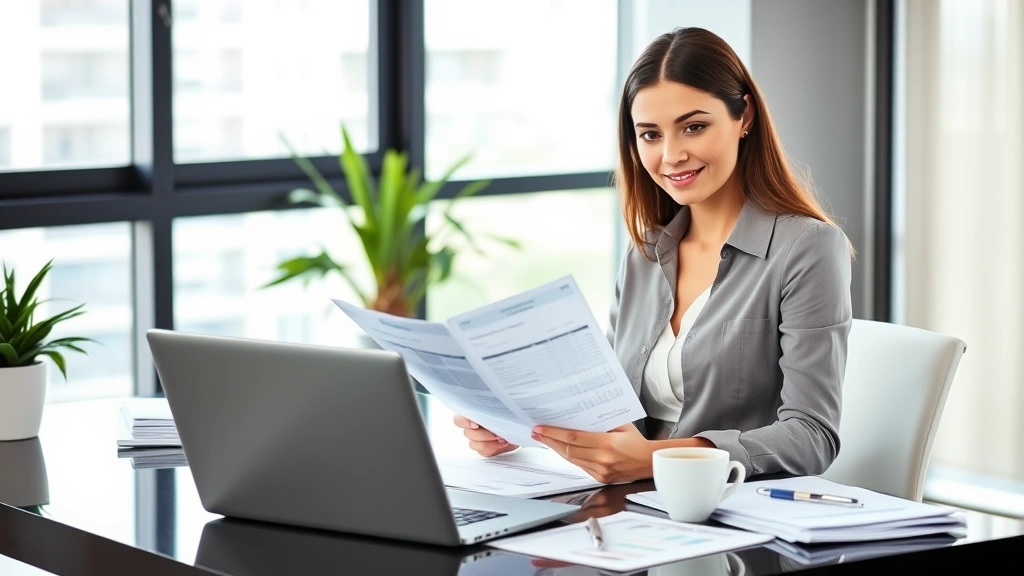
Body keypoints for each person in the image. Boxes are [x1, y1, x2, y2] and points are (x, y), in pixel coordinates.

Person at [454, 27, 853, 483]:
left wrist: (657, 458)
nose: (671, 155)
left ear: (745, 117)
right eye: (649, 135)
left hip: (736, 512)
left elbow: (811, 435)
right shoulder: (645, 252)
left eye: (694, 127)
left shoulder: (807, 248)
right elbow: (603, 398)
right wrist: (524, 425)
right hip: (638, 506)